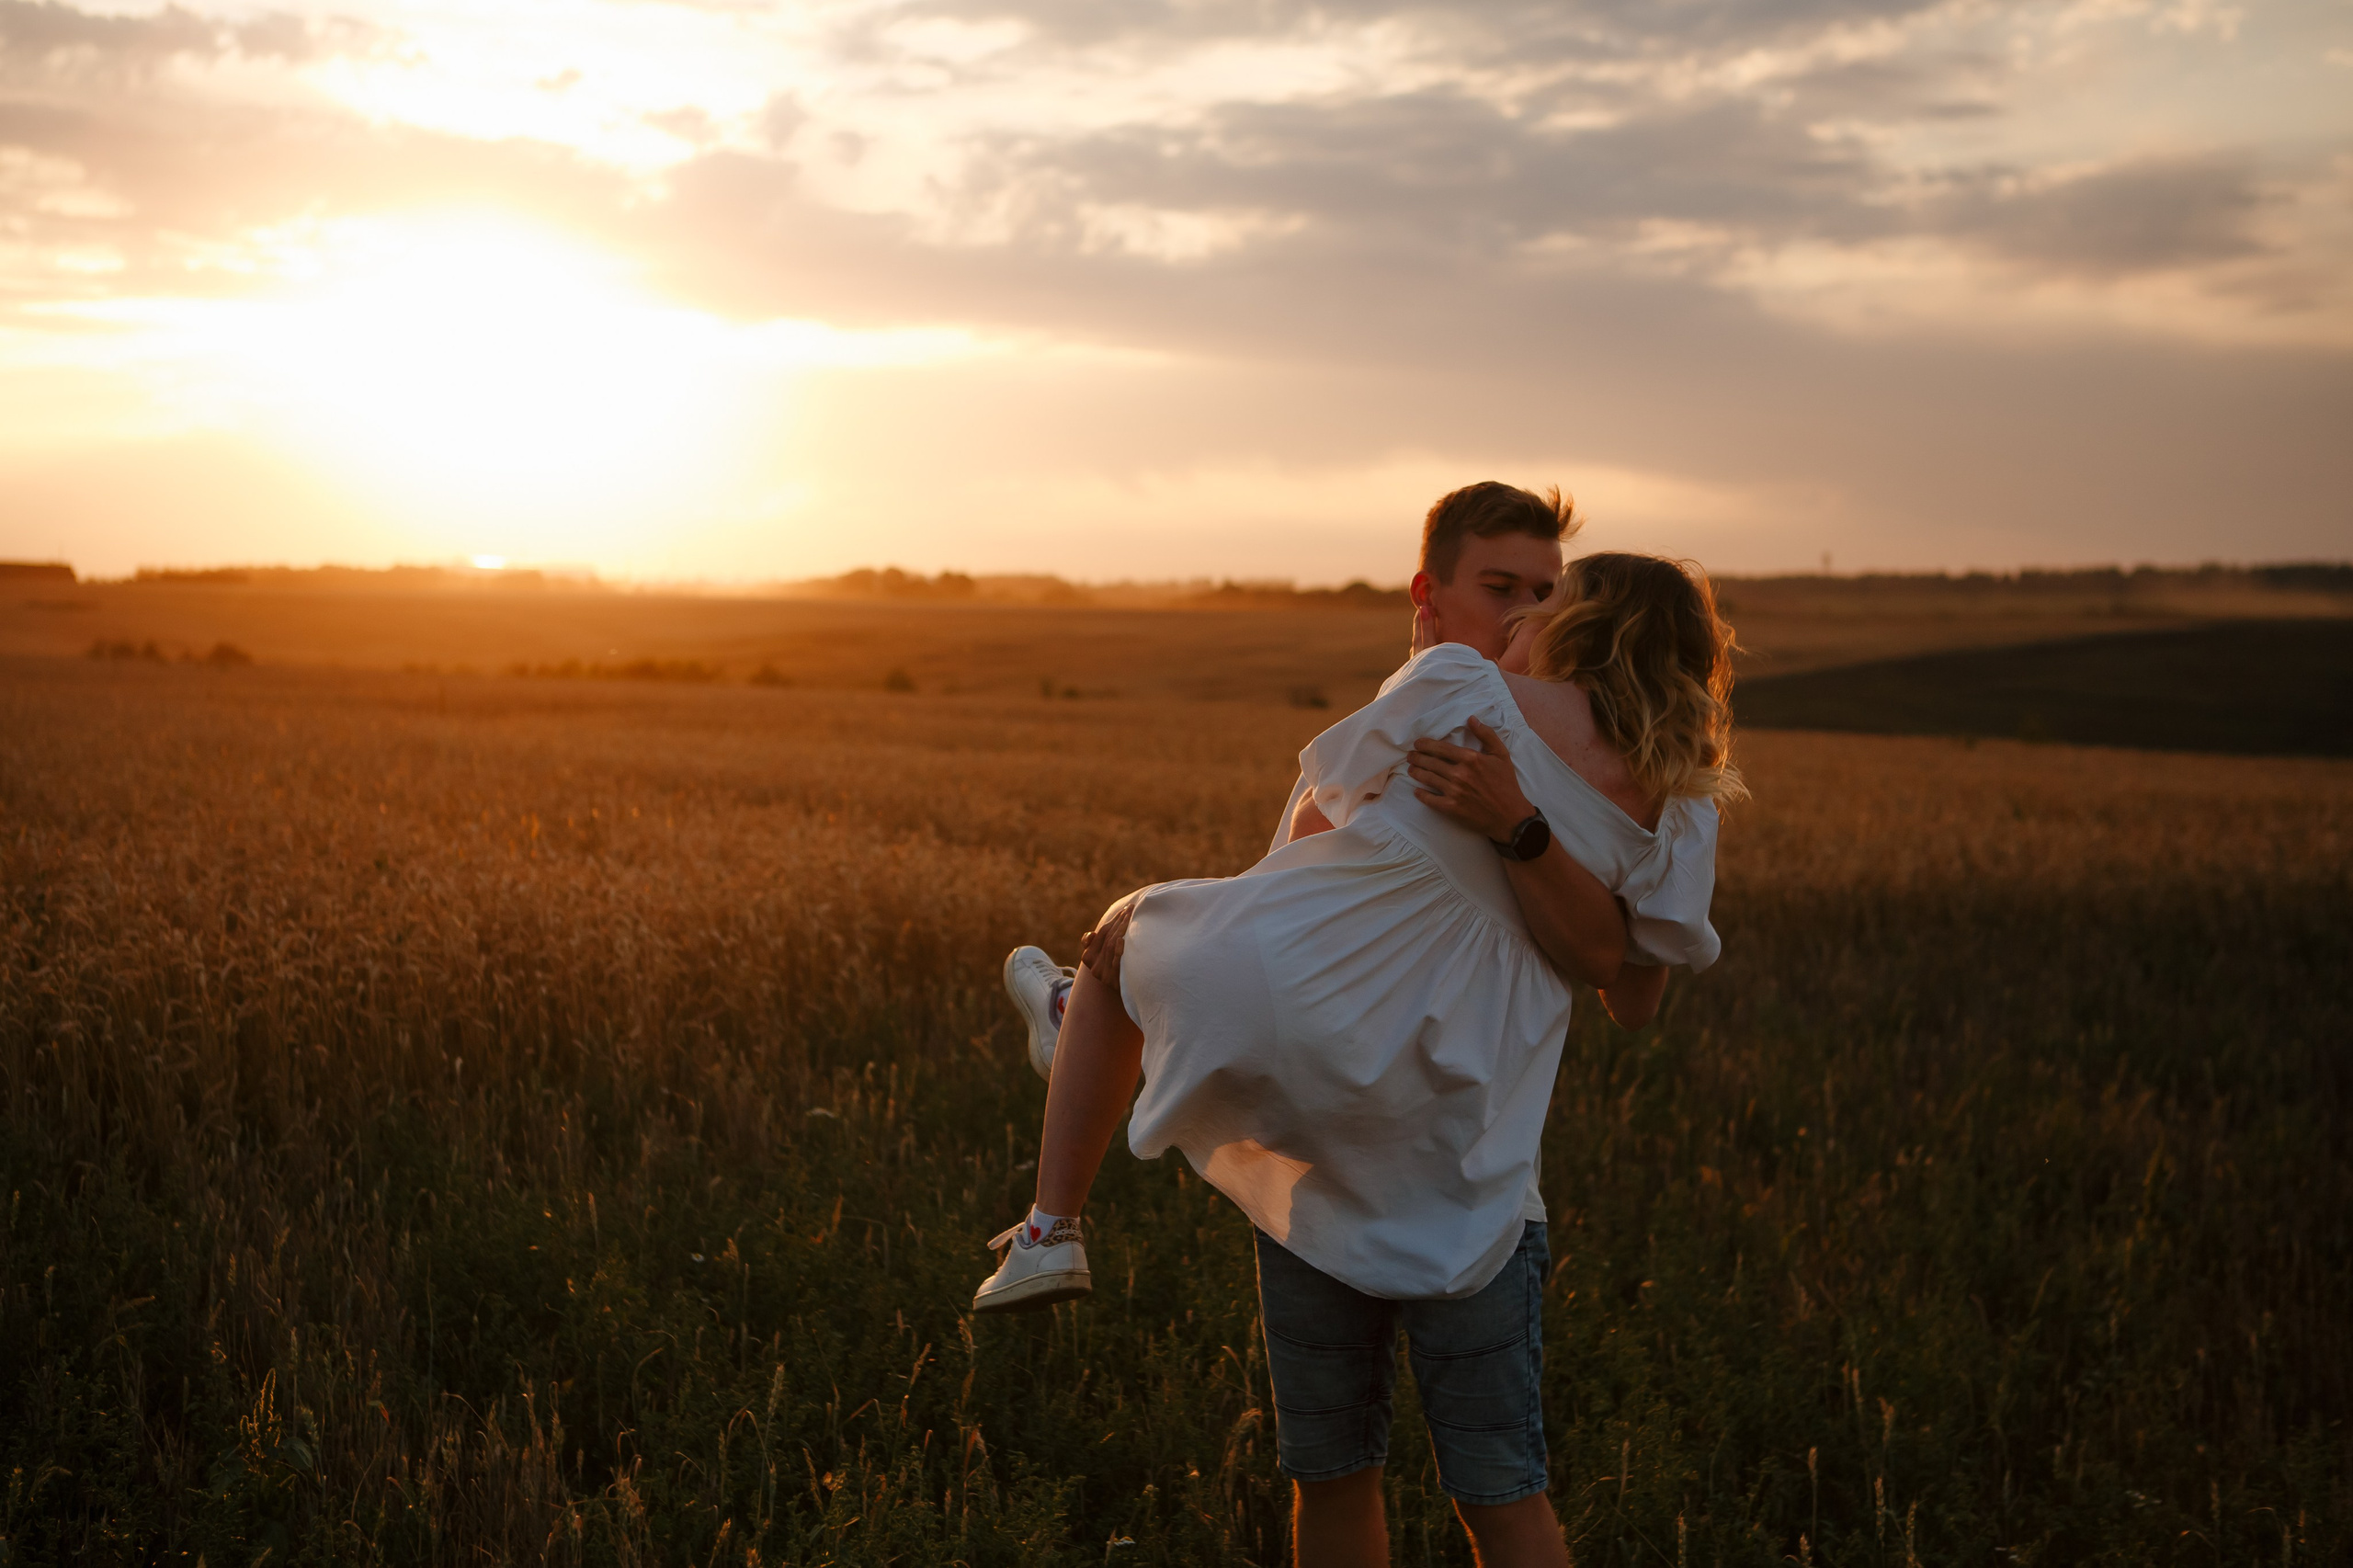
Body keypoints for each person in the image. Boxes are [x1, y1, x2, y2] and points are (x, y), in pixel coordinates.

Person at [988, 531, 1745, 1568]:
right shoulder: (1680, 801)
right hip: (1460, 1155)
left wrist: (1501, 800)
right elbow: (1631, 993)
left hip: (1318, 1125)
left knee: (1128, 933)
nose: (1522, 614)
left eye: (1545, 600)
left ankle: (1055, 1199)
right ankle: (1105, 1025)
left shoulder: (1456, 682)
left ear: (1576, 622)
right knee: (1504, 1496)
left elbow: (1319, 821)